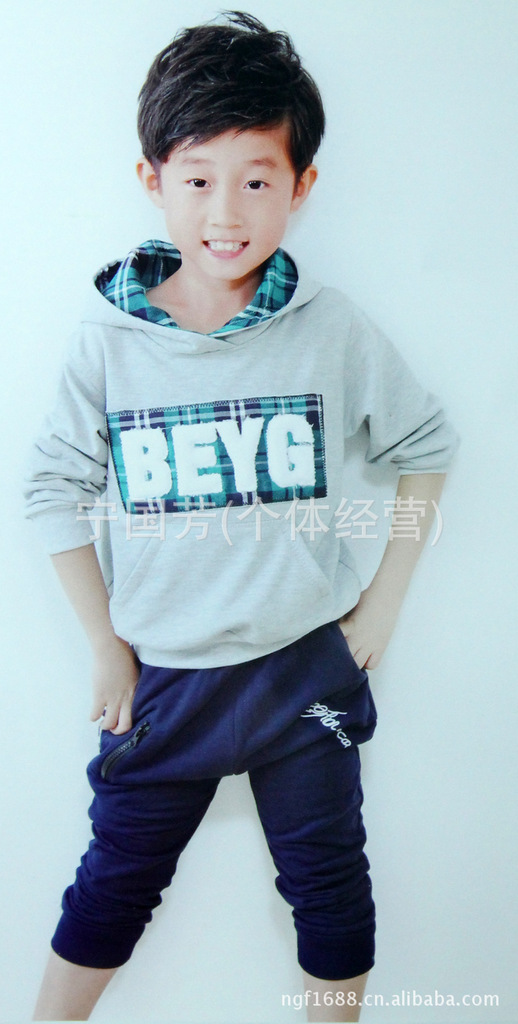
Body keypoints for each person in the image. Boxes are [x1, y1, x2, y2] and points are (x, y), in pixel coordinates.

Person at [24, 11, 458, 1023]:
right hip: (163, 681)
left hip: (302, 670)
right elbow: (50, 489)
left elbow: (427, 448)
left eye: (257, 180)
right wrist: (105, 646)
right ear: (153, 180)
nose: (226, 211)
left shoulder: (330, 329)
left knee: (333, 895)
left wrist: (378, 611)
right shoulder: (109, 341)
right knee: (111, 890)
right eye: (197, 178)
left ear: (300, 187)